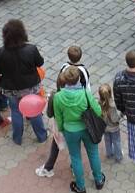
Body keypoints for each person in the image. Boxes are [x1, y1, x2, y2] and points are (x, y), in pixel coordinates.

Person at [35, 45, 92, 178]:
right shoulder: (83, 72)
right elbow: (87, 88)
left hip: (64, 117)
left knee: (57, 140)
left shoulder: (62, 74)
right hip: (79, 116)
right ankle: (72, 167)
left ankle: (49, 167)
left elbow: (51, 111)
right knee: (75, 145)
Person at [0, 19, 48, 146]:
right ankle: (42, 136)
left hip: (11, 90)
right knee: (34, 112)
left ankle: (17, 138)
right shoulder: (31, 49)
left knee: (16, 111)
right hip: (30, 88)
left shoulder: (2, 52)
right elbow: (40, 62)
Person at [53, 66, 105, 193]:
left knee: (75, 157)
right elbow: (98, 111)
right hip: (88, 128)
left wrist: (62, 130)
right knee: (93, 153)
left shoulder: (58, 97)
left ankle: (81, 187)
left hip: (70, 131)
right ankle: (99, 180)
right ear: (78, 79)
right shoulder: (85, 94)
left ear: (65, 80)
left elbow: (58, 118)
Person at [98, 83, 122, 163]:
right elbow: (115, 119)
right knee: (116, 142)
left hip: (105, 128)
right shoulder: (112, 105)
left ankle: (109, 154)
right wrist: (121, 115)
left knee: (107, 141)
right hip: (114, 128)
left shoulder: (99, 103)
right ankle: (118, 156)